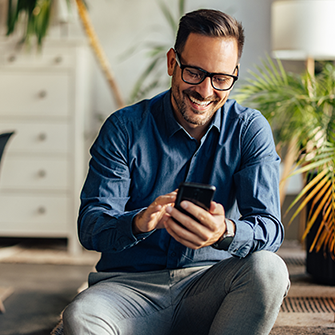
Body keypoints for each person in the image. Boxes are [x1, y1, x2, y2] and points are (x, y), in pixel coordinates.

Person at [63, 9, 290, 335]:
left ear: (234, 74)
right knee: (80, 318)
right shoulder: (124, 129)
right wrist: (139, 222)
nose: (206, 91)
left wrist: (223, 231)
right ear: (172, 62)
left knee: (270, 269)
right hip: (127, 291)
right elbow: (91, 226)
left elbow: (269, 228)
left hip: (210, 287)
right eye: (195, 73)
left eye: (221, 78)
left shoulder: (249, 130)